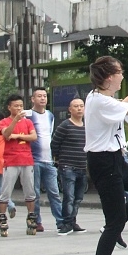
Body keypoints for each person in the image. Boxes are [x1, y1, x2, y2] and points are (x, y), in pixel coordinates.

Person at [84, 55, 128, 255]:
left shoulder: (99, 97)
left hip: (116, 160)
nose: (122, 76)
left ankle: (119, 224)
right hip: (104, 163)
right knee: (113, 222)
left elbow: (123, 104)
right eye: (119, 72)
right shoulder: (100, 102)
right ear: (109, 78)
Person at [0, 95, 38, 236]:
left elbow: (34, 137)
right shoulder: (4, 122)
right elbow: (6, 135)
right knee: (6, 191)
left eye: (21, 105)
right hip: (11, 160)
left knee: (30, 190)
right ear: (9, 107)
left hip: (27, 160)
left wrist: (18, 136)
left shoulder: (28, 122)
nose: (19, 108)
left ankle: (31, 216)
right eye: (16, 106)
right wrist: (15, 121)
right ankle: (2, 217)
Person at [27, 88, 63, 234]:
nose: (42, 98)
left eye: (44, 96)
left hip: (48, 160)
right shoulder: (28, 115)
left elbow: (50, 134)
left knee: (54, 193)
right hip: (33, 159)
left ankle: (61, 221)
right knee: (34, 193)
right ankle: (36, 221)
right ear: (32, 99)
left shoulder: (50, 115)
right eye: (39, 96)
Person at [51, 97, 88, 234]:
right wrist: (59, 160)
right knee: (69, 197)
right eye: (76, 106)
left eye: (81, 106)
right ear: (70, 109)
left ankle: (73, 221)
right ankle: (66, 223)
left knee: (78, 198)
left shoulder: (87, 126)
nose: (79, 108)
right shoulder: (65, 125)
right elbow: (54, 144)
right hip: (68, 167)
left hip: (82, 166)